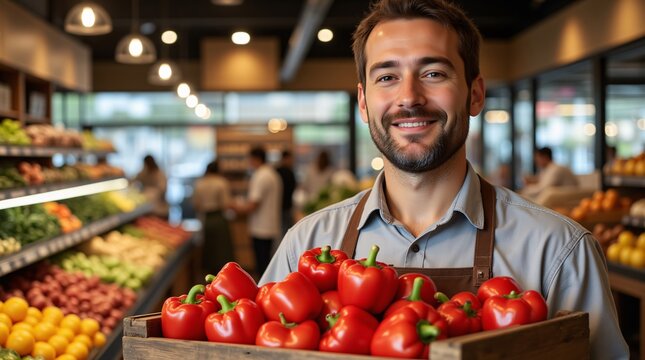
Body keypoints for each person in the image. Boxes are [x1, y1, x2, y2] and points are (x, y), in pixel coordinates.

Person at [260, 1, 628, 358]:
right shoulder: (304, 245)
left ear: (476, 94)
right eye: (387, 77)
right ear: (363, 102)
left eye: (433, 73)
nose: (409, 97)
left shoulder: (559, 250)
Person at [232, 147, 282, 276]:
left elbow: (253, 204)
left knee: (262, 265)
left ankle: (263, 291)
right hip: (270, 225)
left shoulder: (260, 175)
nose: (249, 162)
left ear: (256, 159)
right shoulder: (272, 173)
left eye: (250, 159)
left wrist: (236, 207)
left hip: (261, 227)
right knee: (268, 263)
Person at [192, 160, 234, 274]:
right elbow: (226, 204)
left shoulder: (199, 183)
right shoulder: (222, 182)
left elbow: (196, 205)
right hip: (218, 217)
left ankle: (209, 276)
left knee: (209, 250)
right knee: (222, 251)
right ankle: (223, 275)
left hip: (206, 219)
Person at [133, 155, 168, 219]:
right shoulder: (144, 173)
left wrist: (152, 193)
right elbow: (134, 180)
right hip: (148, 208)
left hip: (160, 208)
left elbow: (163, 189)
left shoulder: (160, 174)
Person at [275, 150, 297, 239]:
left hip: (278, 206)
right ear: (286, 158)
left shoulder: (276, 171)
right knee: (286, 231)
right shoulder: (288, 172)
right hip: (286, 205)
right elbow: (293, 187)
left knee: (281, 230)